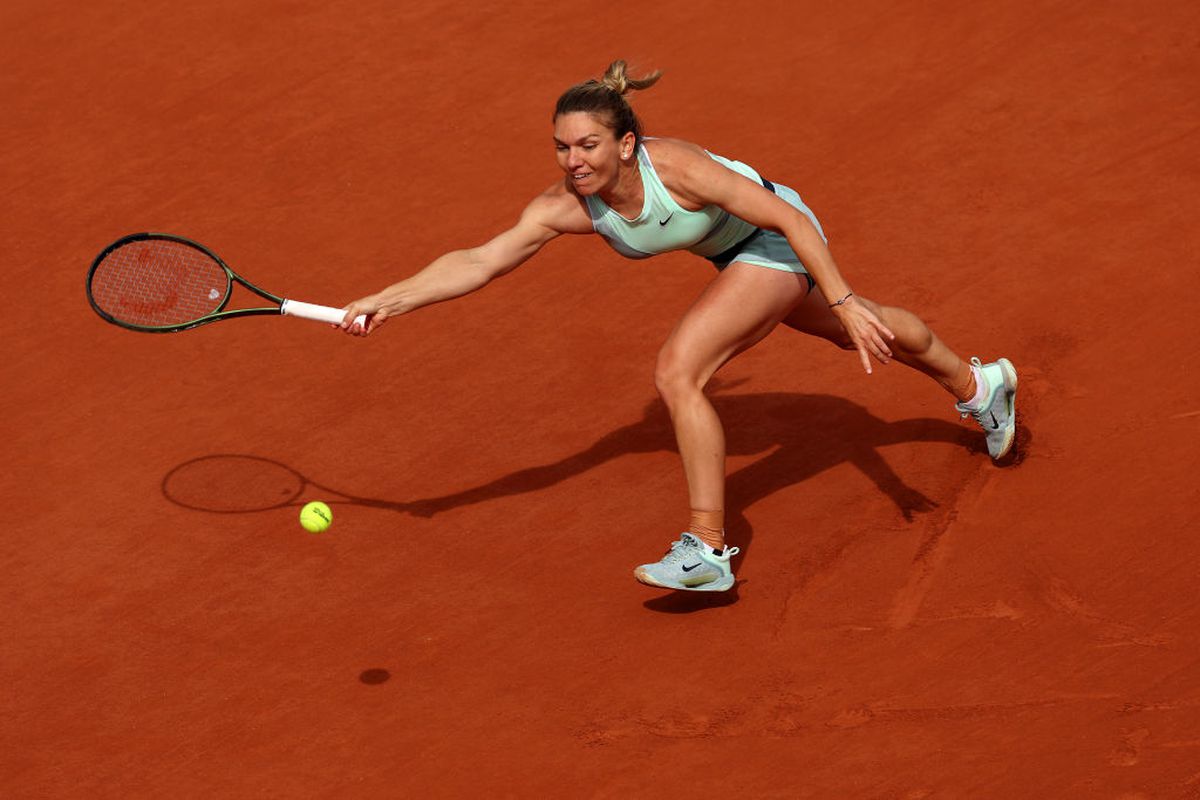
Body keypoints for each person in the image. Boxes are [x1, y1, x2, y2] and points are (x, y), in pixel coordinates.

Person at [338, 60, 1018, 593]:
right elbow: (481, 260)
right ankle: (980, 384)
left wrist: (837, 292)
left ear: (627, 144)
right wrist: (390, 300)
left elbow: (788, 219)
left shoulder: (680, 169)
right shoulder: (566, 205)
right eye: (561, 147)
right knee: (856, 332)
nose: (573, 160)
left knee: (678, 371)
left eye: (588, 145)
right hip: (731, 252)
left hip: (777, 237)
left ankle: (707, 549)